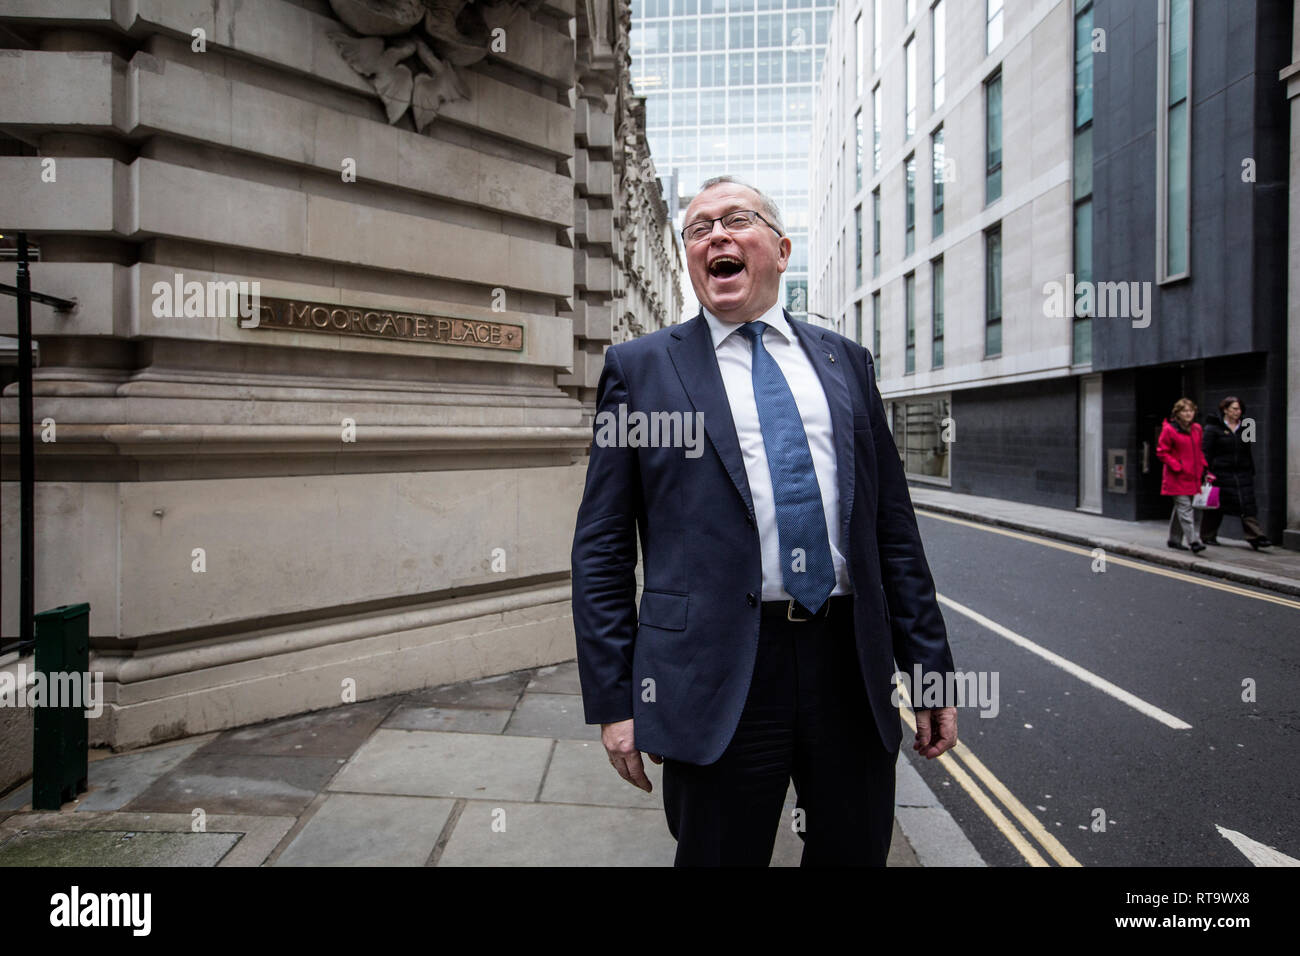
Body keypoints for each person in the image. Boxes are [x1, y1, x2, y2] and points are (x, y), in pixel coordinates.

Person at [570, 175, 958, 867]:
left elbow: (893, 531)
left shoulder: (846, 364)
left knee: (852, 854)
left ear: (779, 249)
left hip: (848, 663)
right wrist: (615, 699)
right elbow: (601, 546)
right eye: (697, 229)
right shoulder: (641, 369)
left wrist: (929, 674)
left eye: (736, 220)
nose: (714, 235)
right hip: (715, 674)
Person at [1201, 396, 1270, 550]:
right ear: (1225, 409)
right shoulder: (1212, 428)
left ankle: (1256, 537)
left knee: (1247, 504)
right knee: (1216, 506)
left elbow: (1249, 449)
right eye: (1234, 409)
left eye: (1239, 409)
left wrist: (1250, 469)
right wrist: (1206, 471)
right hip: (1220, 472)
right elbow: (1205, 452)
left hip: (1242, 472)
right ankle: (1207, 535)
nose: (1238, 412)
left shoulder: (1247, 426)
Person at [1156, 397, 1211, 554]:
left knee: (1183, 509)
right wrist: (1177, 466)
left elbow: (1199, 450)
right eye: (1185, 411)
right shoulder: (1169, 429)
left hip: (1193, 475)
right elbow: (1162, 452)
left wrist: (1205, 467)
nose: (1188, 414)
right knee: (1185, 509)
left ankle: (1174, 539)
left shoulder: (1197, 429)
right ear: (1177, 413)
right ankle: (1194, 541)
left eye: (1191, 410)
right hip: (1177, 476)